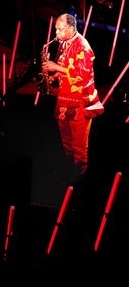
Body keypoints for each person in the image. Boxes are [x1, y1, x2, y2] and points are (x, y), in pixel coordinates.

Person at [43, 13, 104, 182]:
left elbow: (82, 75)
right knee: (66, 136)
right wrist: (54, 76)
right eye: (56, 29)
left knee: (79, 141)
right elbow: (65, 65)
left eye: (60, 29)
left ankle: (79, 175)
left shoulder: (83, 47)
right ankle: (68, 167)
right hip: (65, 96)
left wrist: (56, 68)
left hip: (80, 99)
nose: (56, 33)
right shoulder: (64, 42)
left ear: (70, 28)